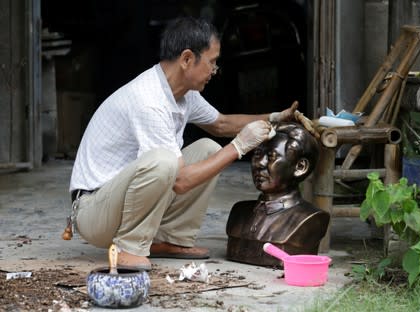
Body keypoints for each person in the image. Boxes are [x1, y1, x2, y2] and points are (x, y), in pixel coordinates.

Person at [67, 16, 298, 270]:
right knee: (164, 161)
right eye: (212, 62)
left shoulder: (184, 93)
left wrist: (276, 118)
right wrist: (239, 147)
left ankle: (168, 239)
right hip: (93, 212)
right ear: (187, 59)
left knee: (208, 149)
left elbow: (221, 124)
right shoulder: (149, 100)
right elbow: (180, 181)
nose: (215, 71)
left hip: (117, 202)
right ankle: (128, 247)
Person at [226, 122, 330, 267]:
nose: (259, 164)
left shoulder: (311, 219)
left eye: (271, 157)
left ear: (300, 167)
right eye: (257, 155)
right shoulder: (239, 211)